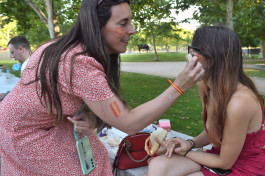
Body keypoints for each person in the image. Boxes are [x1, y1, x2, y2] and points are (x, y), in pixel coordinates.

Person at [0, 0, 203, 175]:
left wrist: (92, 116)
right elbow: (129, 123)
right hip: (22, 133)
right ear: (97, 26)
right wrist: (179, 86)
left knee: (96, 154)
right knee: (89, 167)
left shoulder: (63, 47)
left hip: (36, 123)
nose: (132, 30)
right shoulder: (79, 63)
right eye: (123, 23)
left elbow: (79, 97)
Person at [147, 25, 265, 176]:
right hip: (218, 156)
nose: (190, 56)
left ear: (213, 57)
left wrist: (184, 152)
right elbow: (214, 131)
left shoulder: (239, 103)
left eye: (194, 51)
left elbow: (225, 162)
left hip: (243, 168)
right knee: (157, 166)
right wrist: (189, 144)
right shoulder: (205, 87)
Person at [0, 36, 32, 102]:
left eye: (13, 52)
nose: (13, 56)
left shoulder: (28, 66)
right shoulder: (33, 60)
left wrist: (4, 97)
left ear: (20, 49)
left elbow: (26, 95)